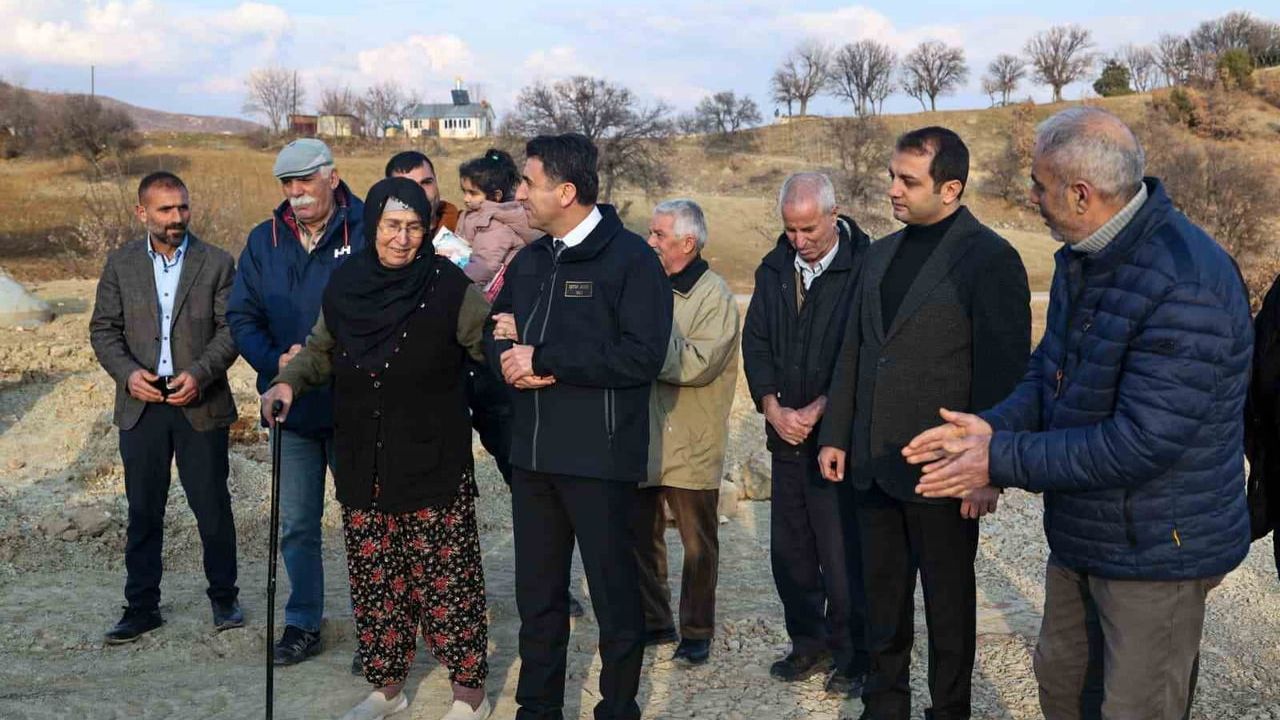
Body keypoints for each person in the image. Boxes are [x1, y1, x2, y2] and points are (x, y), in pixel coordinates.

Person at [904, 107, 1253, 720]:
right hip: (1085, 535)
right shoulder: (1085, 256)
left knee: (1135, 707)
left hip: (1156, 550)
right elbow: (1049, 371)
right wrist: (996, 425)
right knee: (1063, 687)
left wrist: (998, 459)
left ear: (1081, 194)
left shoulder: (1186, 281)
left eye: (1039, 185)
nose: (1031, 196)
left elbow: (1142, 441)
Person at [817, 127, 1031, 720]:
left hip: (946, 470)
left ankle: (949, 709)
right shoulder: (879, 255)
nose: (892, 190)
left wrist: (989, 469)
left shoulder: (990, 259)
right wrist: (838, 433)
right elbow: (857, 351)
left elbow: (1004, 374)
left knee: (948, 608)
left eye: (908, 181)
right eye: (892, 176)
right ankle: (884, 706)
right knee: (881, 602)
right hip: (874, 462)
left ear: (951, 187)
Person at [263, 177, 492, 720]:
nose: (403, 238)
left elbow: (490, 350)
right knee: (376, 581)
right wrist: (288, 383)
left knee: (448, 580)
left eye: (414, 227)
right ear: (373, 227)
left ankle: (469, 694)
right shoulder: (346, 284)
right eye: (392, 226)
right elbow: (320, 348)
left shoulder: (452, 288)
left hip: (432, 458)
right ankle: (387, 688)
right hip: (364, 458)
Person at [484, 133, 671, 720]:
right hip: (533, 459)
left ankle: (617, 707)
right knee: (538, 600)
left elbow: (640, 356)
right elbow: (496, 335)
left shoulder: (633, 261)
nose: (518, 195)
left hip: (600, 460)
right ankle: (537, 709)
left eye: (528, 184)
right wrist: (509, 364)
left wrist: (545, 358)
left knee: (615, 600)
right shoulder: (531, 260)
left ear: (565, 192)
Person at [227, 138, 365, 667]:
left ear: (332, 176)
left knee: (364, 522)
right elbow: (242, 317)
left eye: (305, 180)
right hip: (293, 410)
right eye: (287, 183)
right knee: (298, 524)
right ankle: (304, 621)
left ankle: (377, 628)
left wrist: (328, 359)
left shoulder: (368, 229)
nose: (296, 192)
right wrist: (279, 364)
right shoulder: (265, 241)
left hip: (354, 404)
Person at [89, 171, 242, 643]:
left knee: (212, 506)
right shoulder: (120, 265)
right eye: (165, 210)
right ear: (142, 213)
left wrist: (199, 374)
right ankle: (141, 606)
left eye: (183, 208)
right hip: (142, 404)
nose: (177, 218)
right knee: (143, 509)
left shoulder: (217, 263)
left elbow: (231, 328)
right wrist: (129, 375)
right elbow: (103, 330)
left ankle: (224, 597)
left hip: (199, 400)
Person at [741, 172, 871, 695]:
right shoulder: (773, 269)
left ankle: (853, 655)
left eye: (809, 229)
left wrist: (822, 409)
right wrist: (771, 407)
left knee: (842, 556)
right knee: (790, 552)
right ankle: (808, 644)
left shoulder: (865, 267)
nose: (799, 240)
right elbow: (756, 344)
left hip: (836, 439)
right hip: (785, 437)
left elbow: (860, 351)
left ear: (834, 214)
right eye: (791, 229)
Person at [635, 199, 740, 666]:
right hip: (645, 435)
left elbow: (698, 364)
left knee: (698, 544)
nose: (650, 241)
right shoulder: (644, 283)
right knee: (640, 535)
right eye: (652, 233)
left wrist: (639, 349)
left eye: (658, 235)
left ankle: (696, 631)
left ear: (687, 243)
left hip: (692, 438)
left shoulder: (714, 296)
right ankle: (654, 622)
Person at [456, 147, 541, 297]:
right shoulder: (476, 214)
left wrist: (452, 280)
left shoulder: (495, 223)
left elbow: (485, 266)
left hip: (489, 294)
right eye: (464, 192)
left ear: (496, 196)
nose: (466, 199)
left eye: (473, 193)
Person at [386, 151, 468, 267]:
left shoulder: (468, 229)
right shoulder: (379, 243)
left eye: (426, 183)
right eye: (409, 186)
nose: (421, 192)